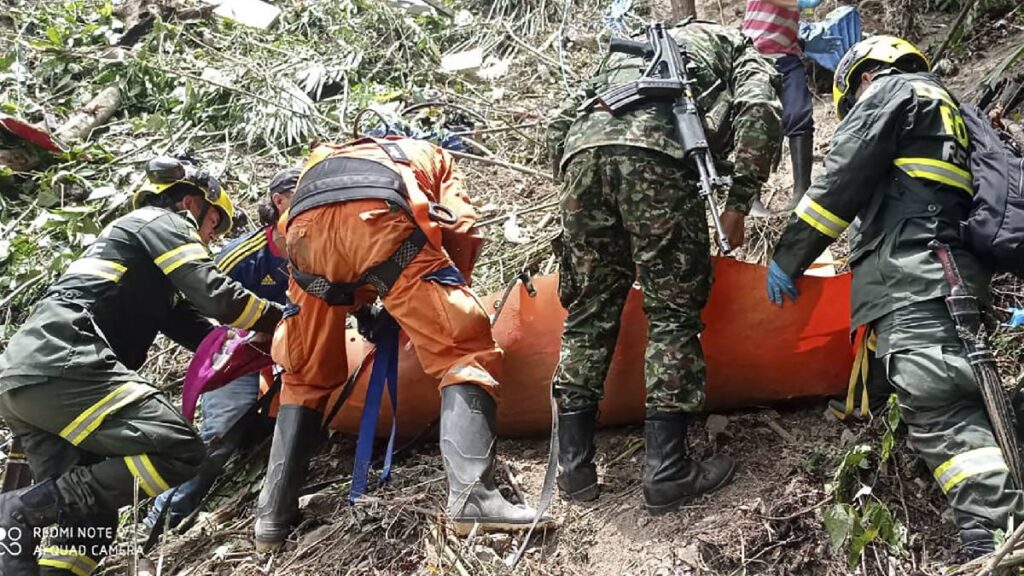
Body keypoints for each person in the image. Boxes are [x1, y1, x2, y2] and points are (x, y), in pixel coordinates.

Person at [766, 35, 1023, 559]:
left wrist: (787, 256)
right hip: (956, 275)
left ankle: (993, 529)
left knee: (940, 406)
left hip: (915, 276)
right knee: (959, 386)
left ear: (865, 76)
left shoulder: (893, 92)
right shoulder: (952, 111)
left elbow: (841, 182)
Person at [254, 136, 552, 551]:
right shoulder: (432, 156)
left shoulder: (325, 157)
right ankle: (473, 500)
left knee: (302, 376)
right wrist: (447, 295)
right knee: (461, 351)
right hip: (378, 221)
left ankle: (271, 518)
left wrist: (365, 305)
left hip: (305, 238)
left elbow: (334, 245)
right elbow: (461, 227)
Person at [0, 156, 283, 575]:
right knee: (180, 447)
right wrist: (284, 317)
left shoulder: (143, 268)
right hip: (68, 361)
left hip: (29, 375)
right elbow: (216, 297)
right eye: (211, 226)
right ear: (191, 204)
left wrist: (256, 344)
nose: (208, 240)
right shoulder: (157, 220)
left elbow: (206, 333)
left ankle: (28, 524)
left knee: (87, 522)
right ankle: (20, 506)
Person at [546, 20, 781, 514]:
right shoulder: (735, 45)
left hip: (580, 161)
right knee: (673, 313)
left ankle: (572, 468)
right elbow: (759, 110)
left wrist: (573, 185)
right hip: (659, 161)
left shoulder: (626, 51)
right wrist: (739, 200)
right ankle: (667, 470)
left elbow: (562, 119)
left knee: (589, 312)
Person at [145, 167, 298, 530]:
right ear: (279, 202)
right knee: (221, 435)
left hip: (297, 355)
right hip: (244, 356)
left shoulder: (325, 247)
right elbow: (201, 304)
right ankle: (163, 518)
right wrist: (248, 332)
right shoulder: (243, 256)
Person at [743, 0, 830, 214]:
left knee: (800, 115)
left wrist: (806, 44)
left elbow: (782, 27)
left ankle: (802, 191)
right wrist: (801, 2)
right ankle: (750, 197)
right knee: (757, 122)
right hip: (756, 57)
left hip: (788, 59)